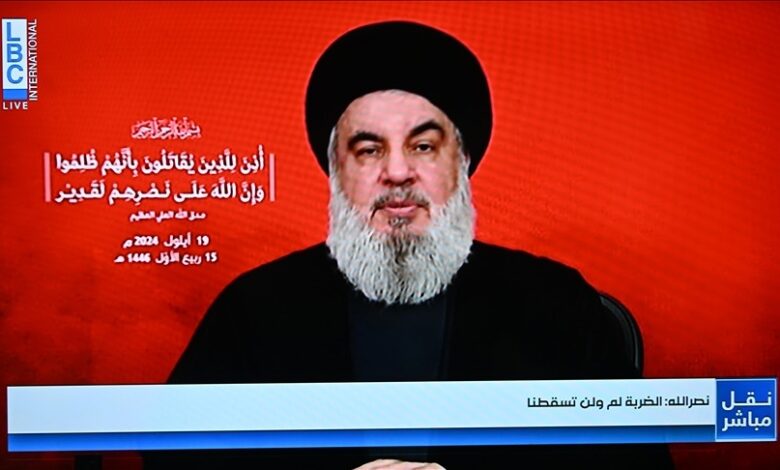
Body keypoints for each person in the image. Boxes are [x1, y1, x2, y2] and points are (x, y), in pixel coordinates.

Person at [144, 21, 672, 469]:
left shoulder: (555, 305)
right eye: (369, 150)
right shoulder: (255, 310)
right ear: (337, 172)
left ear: (461, 164)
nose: (397, 172)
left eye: (422, 146)